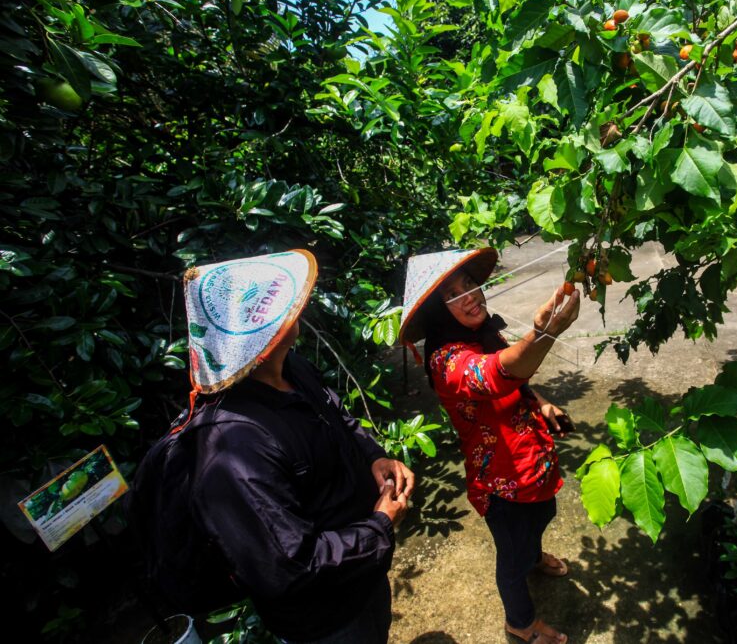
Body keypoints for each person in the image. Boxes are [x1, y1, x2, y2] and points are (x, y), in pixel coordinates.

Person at [165, 249, 413, 643]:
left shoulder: (291, 368)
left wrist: (373, 455)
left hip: (361, 577)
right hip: (325, 620)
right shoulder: (235, 449)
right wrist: (379, 526)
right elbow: (289, 565)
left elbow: (336, 414)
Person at [398, 247, 580, 644]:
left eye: (469, 284)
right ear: (437, 311)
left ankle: (534, 556)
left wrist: (542, 403)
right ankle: (521, 622)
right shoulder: (446, 361)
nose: (469, 296)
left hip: (530, 460)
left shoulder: (484, 335)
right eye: (452, 294)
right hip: (502, 482)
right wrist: (544, 334)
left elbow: (517, 379)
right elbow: (498, 373)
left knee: (542, 515)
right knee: (512, 560)